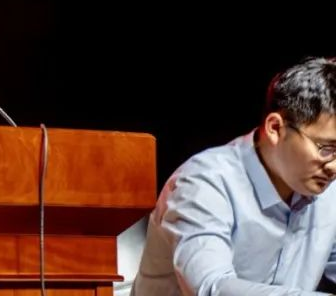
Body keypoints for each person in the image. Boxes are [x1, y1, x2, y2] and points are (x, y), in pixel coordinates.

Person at [132, 57, 336, 296]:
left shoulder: (328, 193)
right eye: (327, 148)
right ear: (275, 128)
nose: (334, 166)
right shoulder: (203, 183)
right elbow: (211, 287)